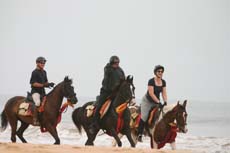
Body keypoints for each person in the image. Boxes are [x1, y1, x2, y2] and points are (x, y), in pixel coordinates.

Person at [88, 55, 125, 134]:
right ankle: (94, 125)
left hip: (116, 93)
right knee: (99, 106)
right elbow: (107, 82)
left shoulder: (120, 70)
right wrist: (112, 90)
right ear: (111, 63)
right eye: (115, 63)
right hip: (106, 92)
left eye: (118, 63)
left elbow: (123, 80)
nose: (117, 64)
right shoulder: (108, 69)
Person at [137, 65, 168, 142]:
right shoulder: (151, 81)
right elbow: (151, 93)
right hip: (147, 101)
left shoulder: (163, 82)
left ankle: (157, 134)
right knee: (144, 116)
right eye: (159, 71)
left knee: (160, 115)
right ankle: (139, 134)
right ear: (155, 72)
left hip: (156, 101)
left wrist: (165, 101)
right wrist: (158, 102)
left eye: (162, 71)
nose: (160, 73)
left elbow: (164, 93)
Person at [30, 56, 54, 125]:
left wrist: (49, 84)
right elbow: (33, 83)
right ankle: (35, 119)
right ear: (37, 63)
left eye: (43, 63)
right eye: (41, 63)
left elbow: (45, 82)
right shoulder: (34, 72)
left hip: (43, 92)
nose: (43, 64)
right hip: (35, 92)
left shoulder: (44, 72)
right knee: (37, 103)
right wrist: (44, 85)